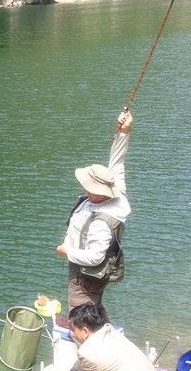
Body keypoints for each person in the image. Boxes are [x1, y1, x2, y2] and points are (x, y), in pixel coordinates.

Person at [56, 108, 133, 311]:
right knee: (92, 309)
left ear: (95, 189)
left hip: (86, 275)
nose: (83, 187)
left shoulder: (101, 222)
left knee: (80, 314)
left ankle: (87, 339)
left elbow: (95, 257)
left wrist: (67, 251)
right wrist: (124, 132)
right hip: (91, 274)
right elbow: (117, 162)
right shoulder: (117, 194)